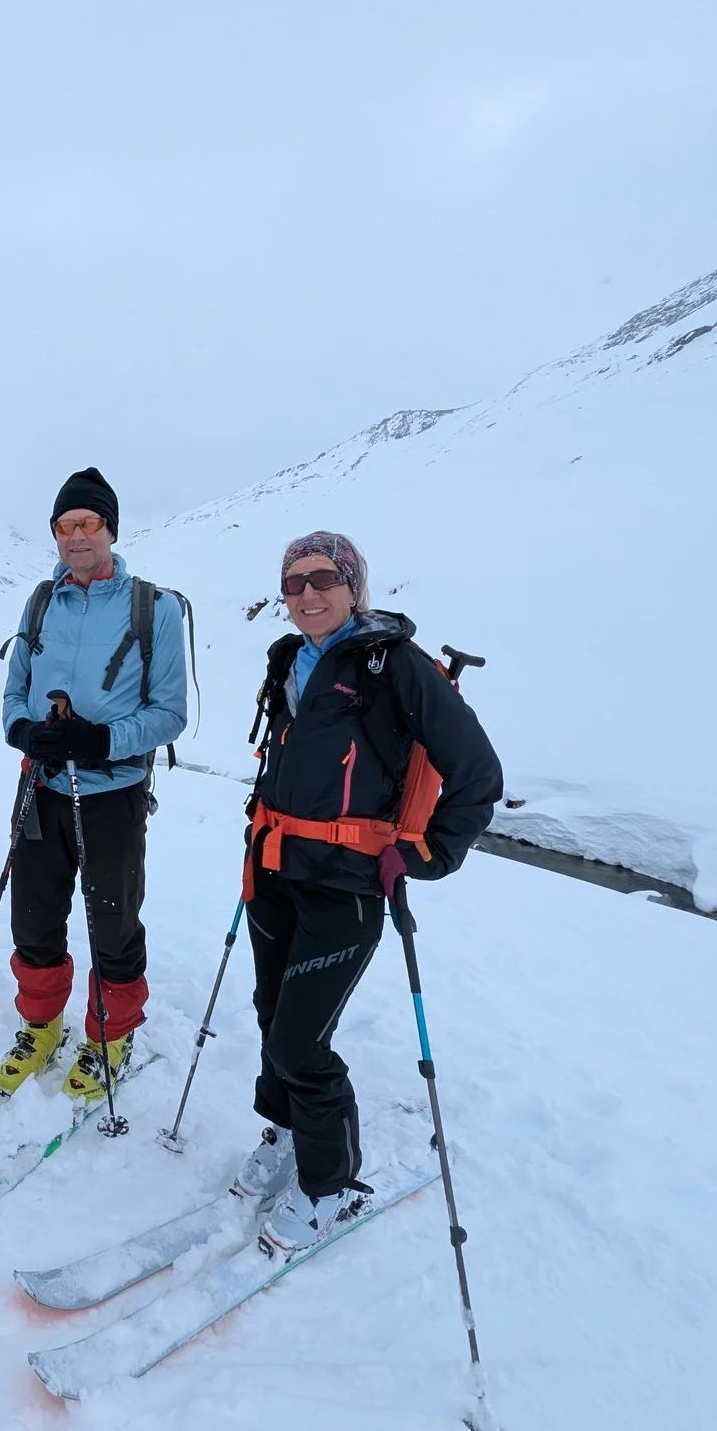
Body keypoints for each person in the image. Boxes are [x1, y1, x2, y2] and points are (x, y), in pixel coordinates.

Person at [236, 530, 501, 1258]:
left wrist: (424, 853)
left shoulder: (394, 665)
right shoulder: (289, 659)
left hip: (347, 886)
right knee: (272, 1015)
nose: (307, 594)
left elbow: (479, 773)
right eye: (294, 582)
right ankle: (286, 1132)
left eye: (324, 578)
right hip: (276, 870)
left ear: (353, 586)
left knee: (301, 1041)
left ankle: (330, 1185)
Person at [0, 467, 189, 1107]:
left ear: (111, 529)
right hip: (40, 785)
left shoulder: (154, 609)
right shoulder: (41, 602)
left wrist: (101, 740)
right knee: (33, 916)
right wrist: (26, 732)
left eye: (89, 523)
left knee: (114, 923)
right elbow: (14, 693)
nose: (77, 536)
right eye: (65, 525)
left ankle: (111, 1036)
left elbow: (170, 713)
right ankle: (42, 1026)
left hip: (113, 791)